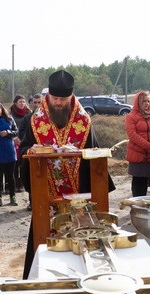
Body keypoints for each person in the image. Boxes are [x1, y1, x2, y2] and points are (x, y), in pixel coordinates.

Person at [19, 70, 115, 278]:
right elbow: (24, 149)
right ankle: (41, 278)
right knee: (44, 235)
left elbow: (94, 153)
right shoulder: (35, 121)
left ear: (71, 97)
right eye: (55, 99)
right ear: (48, 96)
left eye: (64, 99)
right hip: (47, 192)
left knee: (81, 236)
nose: (59, 103)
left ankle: (82, 277)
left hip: (79, 193)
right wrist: (31, 150)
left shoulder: (83, 120)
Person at [125, 90, 150, 196]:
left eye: (148, 101)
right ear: (138, 102)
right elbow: (132, 135)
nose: (147, 104)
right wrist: (147, 146)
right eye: (144, 101)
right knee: (137, 182)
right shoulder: (131, 117)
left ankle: (143, 205)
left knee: (145, 182)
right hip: (137, 154)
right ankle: (135, 205)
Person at [10, 95, 31, 192]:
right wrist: (15, 138)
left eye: (23, 102)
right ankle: (13, 184)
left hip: (25, 141)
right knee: (14, 164)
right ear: (15, 103)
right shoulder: (11, 114)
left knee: (23, 164)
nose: (22, 104)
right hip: (14, 142)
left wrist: (24, 139)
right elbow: (10, 127)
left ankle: (22, 184)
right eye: (20, 102)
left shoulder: (29, 113)